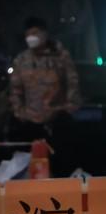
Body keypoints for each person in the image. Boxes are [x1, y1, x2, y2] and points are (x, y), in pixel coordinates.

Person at [8, 16, 82, 176]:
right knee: (33, 167)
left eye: (34, 33)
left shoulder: (60, 56)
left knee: (62, 165)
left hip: (57, 118)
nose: (31, 38)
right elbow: (15, 89)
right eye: (28, 34)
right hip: (31, 122)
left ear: (44, 34)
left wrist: (68, 107)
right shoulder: (22, 59)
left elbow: (72, 82)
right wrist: (19, 112)